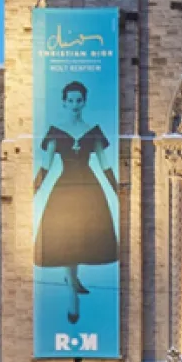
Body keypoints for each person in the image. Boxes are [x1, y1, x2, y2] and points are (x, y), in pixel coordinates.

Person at [33, 81, 119, 324]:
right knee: (67, 235)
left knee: (83, 236)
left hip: (89, 188)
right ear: (64, 102)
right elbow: (46, 165)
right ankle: (72, 288)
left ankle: (73, 279)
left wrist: (118, 190)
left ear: (84, 102)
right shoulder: (55, 131)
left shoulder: (93, 130)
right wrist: (32, 189)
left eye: (78, 100)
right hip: (65, 187)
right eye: (70, 100)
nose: (74, 105)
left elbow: (104, 163)